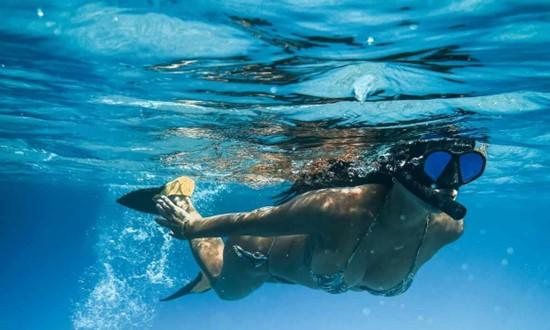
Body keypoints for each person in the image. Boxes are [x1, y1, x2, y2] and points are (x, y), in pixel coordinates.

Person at [152, 138, 487, 301]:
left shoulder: (449, 229)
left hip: (297, 270)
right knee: (226, 291)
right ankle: (184, 202)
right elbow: (256, 220)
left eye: (468, 168)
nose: (452, 183)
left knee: (283, 275)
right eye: (438, 165)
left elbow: (366, 266)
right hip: (256, 255)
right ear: (403, 168)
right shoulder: (340, 209)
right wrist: (192, 227)